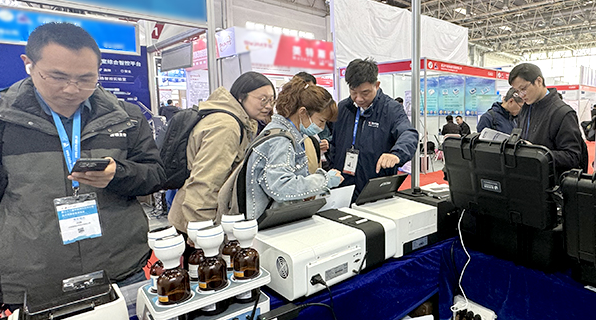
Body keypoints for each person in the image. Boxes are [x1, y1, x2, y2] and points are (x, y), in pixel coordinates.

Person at [0, 22, 165, 314]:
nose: (72, 89)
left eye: (86, 79)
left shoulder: (125, 117)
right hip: (34, 280)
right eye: (57, 77)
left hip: (120, 267)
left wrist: (119, 174)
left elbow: (155, 174)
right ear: (28, 64)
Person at [168, 71, 274, 233]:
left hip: (201, 215)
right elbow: (206, 182)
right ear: (241, 97)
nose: (268, 106)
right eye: (263, 99)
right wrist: (202, 229)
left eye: (272, 100)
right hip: (196, 221)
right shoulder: (226, 126)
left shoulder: (238, 120)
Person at [244, 79, 342, 219]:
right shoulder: (280, 140)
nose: (322, 127)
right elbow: (281, 187)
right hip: (268, 223)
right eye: (321, 121)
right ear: (303, 112)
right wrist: (324, 180)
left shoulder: (286, 133)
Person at [330, 58, 418, 201]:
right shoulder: (343, 108)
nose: (358, 98)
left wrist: (396, 154)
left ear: (376, 85)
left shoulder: (391, 109)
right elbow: (334, 143)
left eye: (365, 93)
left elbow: (409, 134)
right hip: (342, 186)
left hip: (375, 188)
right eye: (353, 92)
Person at [508, 62, 588, 173]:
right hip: (529, 176)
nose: (522, 95)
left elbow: (572, 157)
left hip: (551, 179)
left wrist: (538, 154)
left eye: (523, 89)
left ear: (539, 81)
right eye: (517, 92)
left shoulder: (563, 113)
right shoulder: (526, 109)